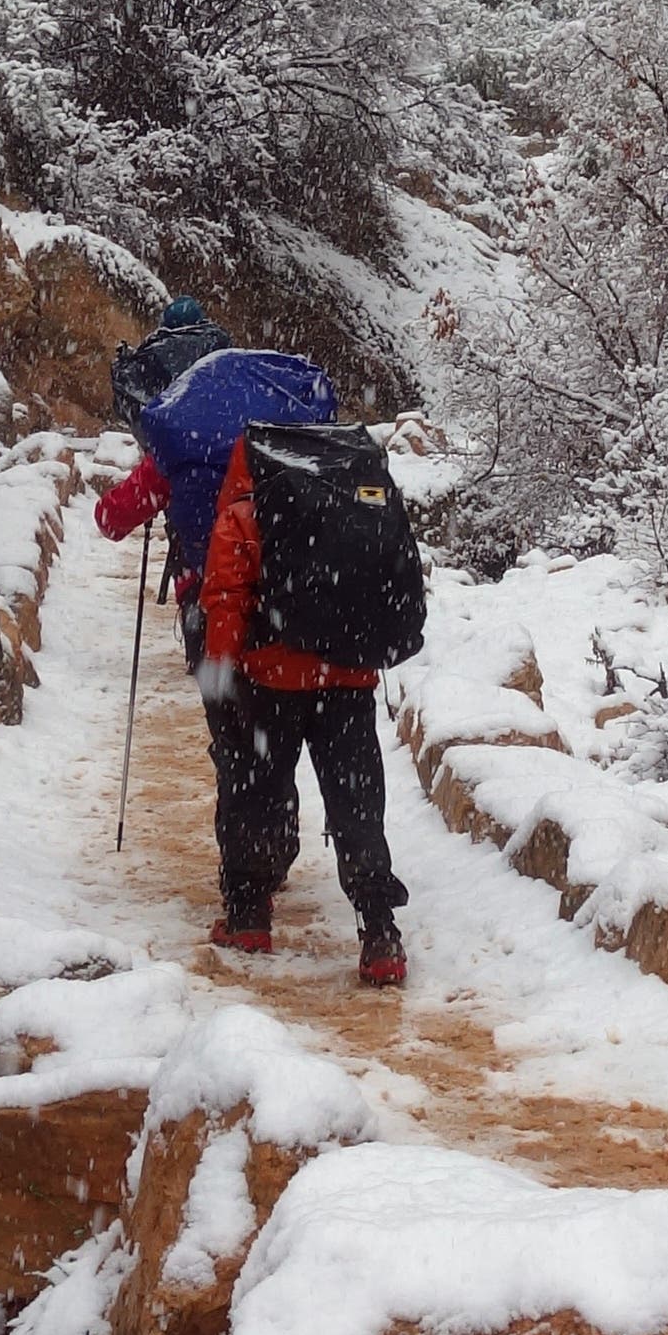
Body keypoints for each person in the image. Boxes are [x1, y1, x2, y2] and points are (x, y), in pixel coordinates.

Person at [95, 303, 408, 989]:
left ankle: (250, 908)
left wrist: (221, 666)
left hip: (268, 674)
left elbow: (227, 586)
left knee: (251, 779)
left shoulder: (227, 481)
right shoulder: (328, 481)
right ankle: (380, 930)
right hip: (346, 672)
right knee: (358, 804)